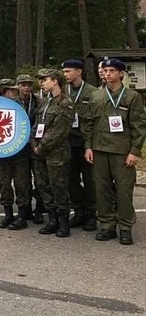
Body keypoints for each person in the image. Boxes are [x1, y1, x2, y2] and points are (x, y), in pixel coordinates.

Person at [82, 58, 146, 245]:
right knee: (102, 190)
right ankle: (107, 225)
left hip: (122, 151)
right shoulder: (96, 96)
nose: (108, 74)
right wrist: (88, 146)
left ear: (121, 74)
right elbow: (88, 123)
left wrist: (134, 151)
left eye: (112, 70)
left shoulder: (132, 96)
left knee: (124, 191)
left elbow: (139, 126)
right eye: (106, 70)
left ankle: (125, 227)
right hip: (100, 150)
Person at [31, 69, 75, 238]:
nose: (41, 83)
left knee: (58, 188)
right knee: (43, 186)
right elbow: (37, 124)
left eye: (44, 79)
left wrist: (40, 146)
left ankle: (63, 223)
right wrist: (33, 141)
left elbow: (58, 131)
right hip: (40, 152)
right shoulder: (44, 102)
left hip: (57, 153)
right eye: (40, 80)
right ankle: (52, 220)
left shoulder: (65, 103)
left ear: (55, 81)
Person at [62, 59, 97, 232]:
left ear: (79, 71)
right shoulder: (62, 91)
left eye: (68, 71)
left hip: (85, 142)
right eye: (64, 72)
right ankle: (79, 212)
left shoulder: (92, 92)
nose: (65, 74)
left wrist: (91, 144)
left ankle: (91, 214)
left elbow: (96, 119)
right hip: (68, 143)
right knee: (71, 180)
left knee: (90, 180)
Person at [0, 79, 31, 230]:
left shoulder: (21, 105)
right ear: (4, 92)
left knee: (21, 182)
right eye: (12, 91)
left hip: (19, 150)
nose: (15, 93)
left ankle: (22, 215)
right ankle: (8, 213)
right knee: (4, 182)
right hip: (1, 150)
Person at [17, 73, 43, 223]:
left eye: (28, 85)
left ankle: (39, 208)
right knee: (22, 179)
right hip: (19, 146)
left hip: (35, 144)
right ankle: (24, 209)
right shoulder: (13, 102)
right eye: (23, 84)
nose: (26, 87)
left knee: (39, 179)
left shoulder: (39, 102)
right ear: (18, 86)